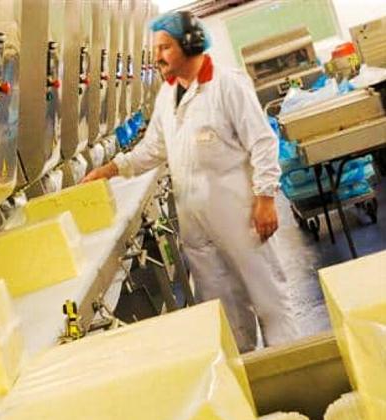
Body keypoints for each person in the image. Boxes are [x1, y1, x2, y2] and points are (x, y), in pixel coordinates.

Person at [83, 11, 299, 351]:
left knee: (267, 295)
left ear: (191, 44)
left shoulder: (227, 84)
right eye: (156, 48)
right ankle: (244, 370)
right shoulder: (167, 96)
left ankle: (292, 364)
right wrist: (110, 169)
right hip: (195, 224)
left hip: (238, 216)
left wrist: (266, 198)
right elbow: (152, 149)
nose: (157, 57)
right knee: (223, 308)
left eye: (165, 47)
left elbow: (262, 142)